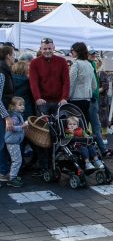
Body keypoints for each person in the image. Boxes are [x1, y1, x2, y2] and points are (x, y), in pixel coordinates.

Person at [29, 38, 70, 173]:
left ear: (54, 48)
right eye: (44, 48)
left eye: (49, 48)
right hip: (43, 102)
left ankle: (57, 162)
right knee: (43, 134)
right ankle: (44, 165)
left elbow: (66, 81)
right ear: (41, 49)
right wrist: (38, 98)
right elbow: (34, 82)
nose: (47, 50)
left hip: (59, 101)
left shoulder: (62, 61)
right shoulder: (35, 63)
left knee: (60, 132)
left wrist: (64, 98)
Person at [88, 50, 113, 157]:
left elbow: (105, 86)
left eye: (97, 60)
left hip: (101, 100)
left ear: (100, 62)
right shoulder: (91, 71)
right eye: (94, 60)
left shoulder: (102, 72)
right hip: (92, 100)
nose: (95, 62)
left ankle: (104, 139)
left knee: (102, 120)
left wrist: (95, 92)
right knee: (93, 122)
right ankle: (96, 141)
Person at [68, 42, 97, 122]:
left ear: (77, 51)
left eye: (72, 50)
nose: (71, 52)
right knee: (84, 122)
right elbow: (94, 85)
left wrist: (67, 96)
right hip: (87, 99)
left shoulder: (76, 64)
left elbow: (71, 83)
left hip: (75, 99)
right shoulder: (89, 65)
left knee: (74, 123)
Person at [0, 44, 16, 183]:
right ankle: (2, 172)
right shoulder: (1, 72)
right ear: (8, 55)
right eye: (13, 54)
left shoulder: (5, 70)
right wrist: (6, 117)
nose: (14, 57)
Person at [4, 97, 27, 187]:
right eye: (20, 105)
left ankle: (13, 176)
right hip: (12, 142)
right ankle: (12, 179)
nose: (23, 107)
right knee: (17, 160)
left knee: (17, 160)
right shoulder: (14, 116)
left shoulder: (17, 114)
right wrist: (23, 126)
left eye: (23, 105)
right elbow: (11, 128)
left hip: (14, 141)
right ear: (13, 106)